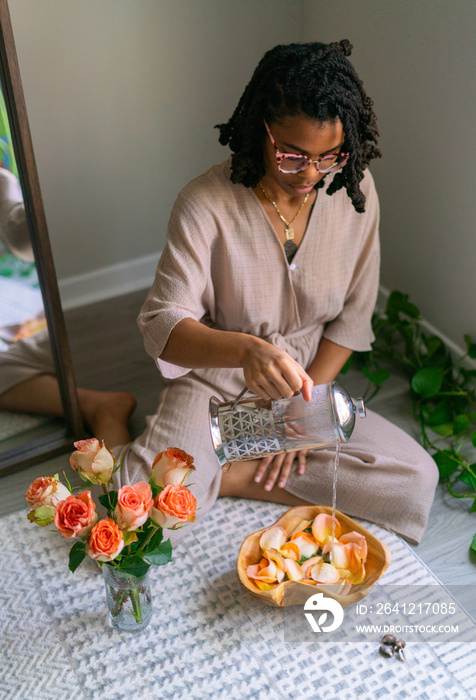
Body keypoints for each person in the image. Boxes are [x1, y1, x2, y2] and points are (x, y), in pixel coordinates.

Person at [1, 40, 438, 544]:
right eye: (293, 156)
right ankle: (108, 408)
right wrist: (245, 350)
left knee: (414, 481)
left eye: (330, 157)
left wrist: (300, 413)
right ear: (263, 130)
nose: (312, 175)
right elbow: (162, 324)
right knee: (130, 523)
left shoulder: (355, 192)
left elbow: (352, 320)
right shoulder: (203, 203)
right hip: (213, 379)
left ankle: (229, 475)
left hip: (303, 385)